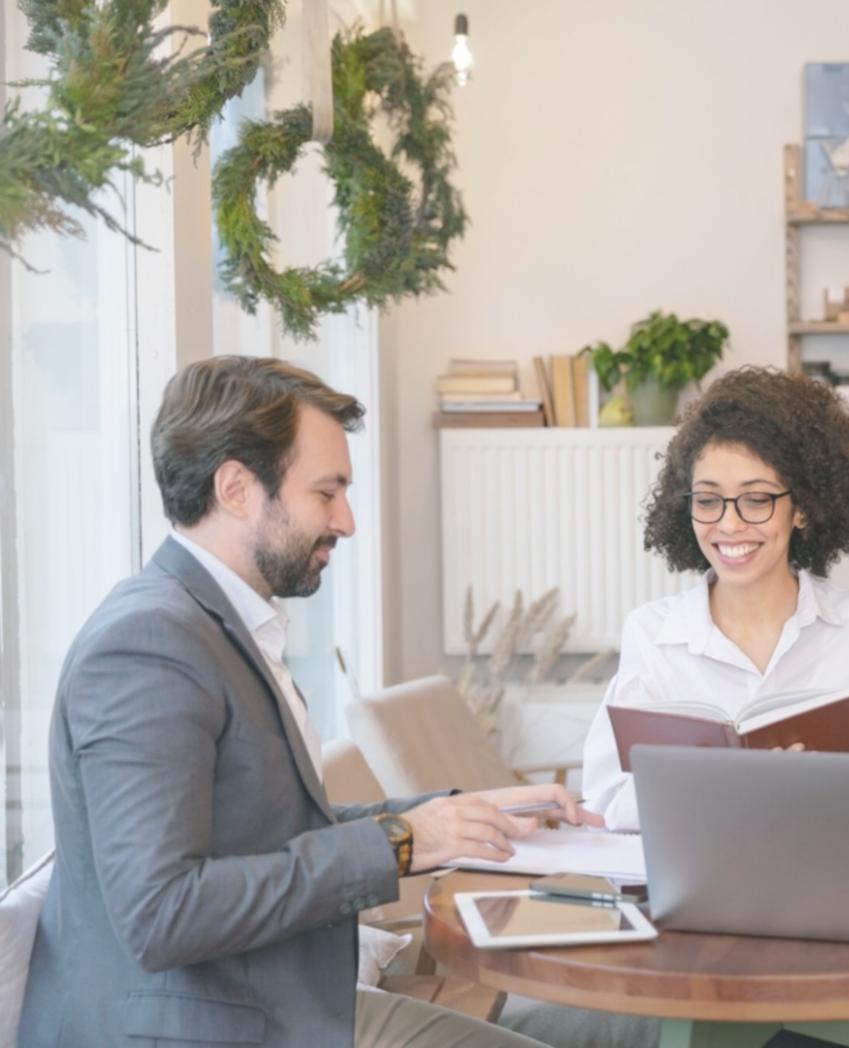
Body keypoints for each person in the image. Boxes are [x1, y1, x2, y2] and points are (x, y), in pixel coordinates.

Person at [20, 356, 598, 1048]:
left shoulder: (214, 626)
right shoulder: (148, 646)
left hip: (265, 1005)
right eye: (326, 493)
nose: (346, 521)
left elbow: (274, 828)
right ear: (236, 489)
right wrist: (403, 842)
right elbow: (161, 914)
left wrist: (454, 818)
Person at [581, 366, 849, 831]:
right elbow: (605, 804)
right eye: (707, 500)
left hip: (832, 872)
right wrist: (715, 783)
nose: (729, 524)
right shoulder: (651, 635)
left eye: (757, 500)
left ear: (803, 509)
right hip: (700, 874)